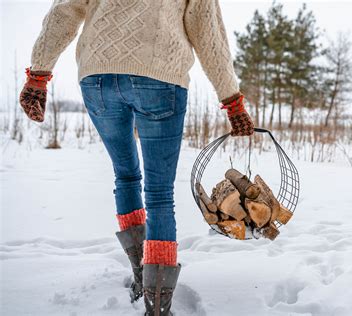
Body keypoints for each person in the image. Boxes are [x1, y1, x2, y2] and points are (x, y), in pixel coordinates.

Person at [19, 0, 255, 315]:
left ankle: (141, 271)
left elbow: (64, 9)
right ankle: (156, 304)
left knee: (126, 176)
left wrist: (38, 74)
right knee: (159, 194)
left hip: (98, 77)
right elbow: (207, 32)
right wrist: (232, 100)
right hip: (159, 76)